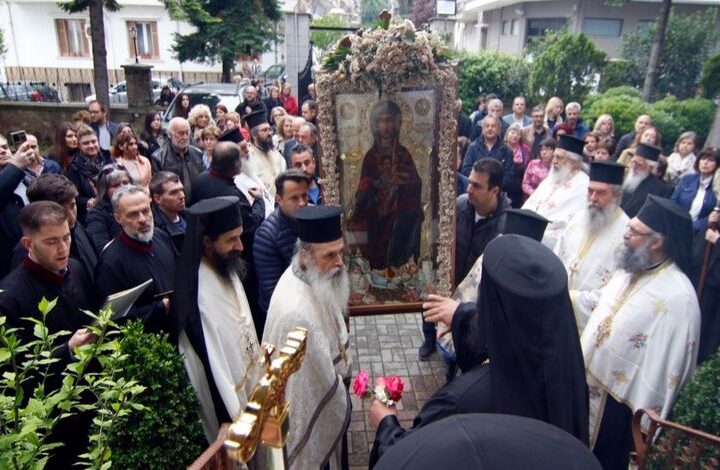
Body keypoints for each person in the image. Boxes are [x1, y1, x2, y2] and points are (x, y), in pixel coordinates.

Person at [582, 195, 700, 469]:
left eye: (634, 232)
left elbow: (669, 370)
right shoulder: (631, 268)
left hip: (623, 408)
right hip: (589, 384)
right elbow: (599, 304)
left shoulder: (679, 299)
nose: (625, 235)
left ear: (656, 242)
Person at [435, 235, 589, 442]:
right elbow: (517, 323)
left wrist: (390, 415)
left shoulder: (460, 400)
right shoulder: (569, 373)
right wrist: (460, 315)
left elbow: (411, 450)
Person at [0, 201, 97, 466]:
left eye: (66, 237)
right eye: (51, 242)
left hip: (92, 399)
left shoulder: (76, 268)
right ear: (28, 244)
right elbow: (15, 372)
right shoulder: (9, 298)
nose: (63, 248)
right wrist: (67, 350)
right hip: (50, 423)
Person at [262, 205, 351, 470]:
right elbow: (307, 392)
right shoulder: (296, 313)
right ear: (305, 255)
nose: (340, 262)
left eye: (341, 252)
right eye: (330, 255)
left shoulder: (312, 275)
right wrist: (340, 392)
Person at [173, 196, 261, 444]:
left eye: (240, 236)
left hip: (252, 392)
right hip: (232, 407)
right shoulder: (200, 297)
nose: (240, 246)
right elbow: (215, 372)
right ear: (207, 242)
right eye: (231, 239)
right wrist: (236, 420)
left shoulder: (226, 267)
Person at [423, 208, 549, 374]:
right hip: (470, 341)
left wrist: (459, 315)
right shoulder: (492, 257)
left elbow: (499, 325)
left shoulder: (534, 286)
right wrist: (457, 319)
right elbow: (470, 291)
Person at [191, 141, 266, 331]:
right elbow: (250, 223)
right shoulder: (229, 195)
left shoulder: (200, 180)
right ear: (235, 165)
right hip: (231, 257)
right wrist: (259, 201)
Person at [553, 161, 628, 332]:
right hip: (554, 304)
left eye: (601, 193)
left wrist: (573, 299)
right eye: (590, 191)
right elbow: (555, 257)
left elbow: (616, 290)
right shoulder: (578, 218)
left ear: (616, 196)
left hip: (585, 323)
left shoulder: (626, 235)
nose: (593, 198)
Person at [349, 100, 423, 270]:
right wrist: (377, 184)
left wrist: (401, 183)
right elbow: (364, 188)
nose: (386, 126)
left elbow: (415, 184)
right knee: (364, 222)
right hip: (375, 209)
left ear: (397, 123)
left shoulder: (403, 155)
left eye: (389, 120)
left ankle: (397, 266)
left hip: (400, 207)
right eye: (381, 121)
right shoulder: (370, 157)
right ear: (375, 125)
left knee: (407, 217)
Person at [95, 185, 177, 333]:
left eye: (146, 211)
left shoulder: (162, 237)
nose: (142, 219)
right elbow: (114, 320)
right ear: (118, 218)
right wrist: (161, 308)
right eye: (133, 214)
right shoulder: (111, 262)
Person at [10, 174, 98, 284]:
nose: (71, 216)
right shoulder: (23, 256)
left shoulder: (78, 228)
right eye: (61, 211)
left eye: (72, 206)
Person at [254, 169, 310, 324]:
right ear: (279, 199)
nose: (302, 203)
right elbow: (273, 291)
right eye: (294, 198)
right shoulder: (266, 236)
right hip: (285, 317)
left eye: (304, 196)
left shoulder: (311, 218)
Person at [523, 134, 590, 248]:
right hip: (530, 234)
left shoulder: (584, 186)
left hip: (553, 243)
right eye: (554, 156)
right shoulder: (552, 178)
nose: (554, 161)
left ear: (573, 162)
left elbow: (572, 227)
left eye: (559, 157)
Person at [0, 138, 35, 277]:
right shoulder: (15, 170)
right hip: (9, 269)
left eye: (5, 147)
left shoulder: (27, 177)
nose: (2, 151)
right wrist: (15, 167)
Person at [66, 123, 112, 224]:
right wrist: (88, 202)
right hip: (90, 216)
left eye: (93, 141)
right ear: (79, 146)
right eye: (86, 143)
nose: (91, 145)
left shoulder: (108, 159)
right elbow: (75, 196)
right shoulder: (74, 168)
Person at [151, 117, 204, 201]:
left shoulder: (198, 154)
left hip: (196, 202)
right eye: (181, 133)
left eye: (187, 133)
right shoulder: (159, 158)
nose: (185, 137)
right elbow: (158, 188)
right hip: (173, 204)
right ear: (170, 134)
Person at [86, 164, 132, 253]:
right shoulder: (96, 214)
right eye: (116, 185)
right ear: (105, 190)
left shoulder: (139, 205)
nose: (123, 188)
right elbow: (102, 247)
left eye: (125, 183)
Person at [671, 146, 719, 232]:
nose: (705, 162)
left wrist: (691, 226)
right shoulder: (687, 179)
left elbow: (712, 217)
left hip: (698, 232)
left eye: (710, 160)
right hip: (675, 225)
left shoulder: (717, 187)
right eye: (703, 159)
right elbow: (673, 201)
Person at [460, 116, 513, 191]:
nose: (490, 129)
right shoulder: (473, 147)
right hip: (476, 191)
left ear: (499, 129)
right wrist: (480, 184)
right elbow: (466, 170)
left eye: (493, 126)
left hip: (497, 192)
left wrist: (492, 187)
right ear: (482, 129)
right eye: (487, 126)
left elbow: (509, 174)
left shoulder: (507, 150)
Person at [620, 143, 673, 218]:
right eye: (633, 162)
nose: (634, 167)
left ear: (651, 167)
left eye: (639, 164)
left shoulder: (661, 189)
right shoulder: (625, 179)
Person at [245, 110, 287, 198]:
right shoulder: (248, 156)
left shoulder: (275, 153)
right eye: (264, 130)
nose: (270, 133)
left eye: (270, 129)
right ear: (254, 135)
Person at [150, 171, 187, 253]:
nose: (182, 196)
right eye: (174, 193)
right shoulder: (155, 232)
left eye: (181, 190)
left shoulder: (191, 216)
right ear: (158, 199)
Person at [504, 124, 529, 207]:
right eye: (512, 133)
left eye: (518, 134)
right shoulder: (501, 148)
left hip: (519, 190)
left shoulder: (525, 149)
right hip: (503, 188)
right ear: (507, 134)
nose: (515, 136)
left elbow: (528, 168)